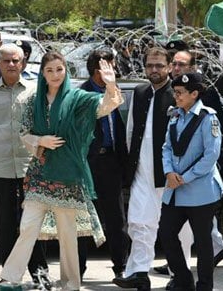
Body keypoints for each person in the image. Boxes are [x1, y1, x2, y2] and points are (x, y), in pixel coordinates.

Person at [0, 51, 122, 290]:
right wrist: (40, 140)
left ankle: (70, 283)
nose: (55, 75)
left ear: (66, 71)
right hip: (40, 174)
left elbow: (105, 106)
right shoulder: (32, 101)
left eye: (59, 69)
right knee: (27, 226)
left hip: (68, 175)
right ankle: (10, 278)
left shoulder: (77, 98)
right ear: (42, 74)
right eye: (50, 70)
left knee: (68, 236)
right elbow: (24, 133)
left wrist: (111, 84)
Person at [113, 47, 189, 291]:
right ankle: (138, 272)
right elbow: (130, 130)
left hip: (169, 174)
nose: (154, 70)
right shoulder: (140, 91)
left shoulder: (178, 93)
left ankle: (181, 276)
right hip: (141, 170)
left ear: (168, 67)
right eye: (150, 65)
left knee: (175, 229)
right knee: (138, 223)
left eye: (159, 65)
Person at [0, 44, 49, 285]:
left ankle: (40, 275)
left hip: (31, 167)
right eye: (6, 61)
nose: (11, 65)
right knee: (6, 225)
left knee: (31, 223)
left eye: (15, 61)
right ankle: (9, 278)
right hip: (0, 167)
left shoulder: (34, 91)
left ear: (23, 63)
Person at [158, 72, 223, 291]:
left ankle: (204, 285)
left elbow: (210, 156)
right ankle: (183, 279)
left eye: (179, 93)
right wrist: (168, 172)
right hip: (175, 188)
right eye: (174, 92)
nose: (175, 96)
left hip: (200, 190)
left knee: (203, 241)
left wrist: (184, 178)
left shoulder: (208, 118)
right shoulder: (175, 115)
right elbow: (167, 147)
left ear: (194, 94)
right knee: (166, 234)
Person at [78, 49, 129, 280]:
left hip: (111, 162)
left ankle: (121, 267)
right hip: (88, 163)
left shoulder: (116, 91)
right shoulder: (82, 94)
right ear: (98, 69)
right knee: (85, 218)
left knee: (116, 219)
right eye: (110, 66)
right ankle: (77, 270)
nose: (114, 70)